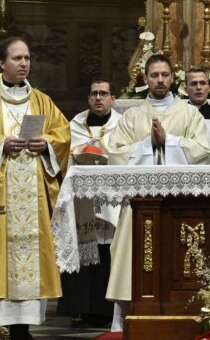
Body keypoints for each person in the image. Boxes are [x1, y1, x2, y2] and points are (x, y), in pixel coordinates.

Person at [0, 36, 70, 339]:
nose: (24, 64)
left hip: (32, 197)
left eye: (27, 58)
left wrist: (46, 144)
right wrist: (1, 143)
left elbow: (62, 135)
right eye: (17, 58)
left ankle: (22, 328)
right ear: (2, 63)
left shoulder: (42, 100)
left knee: (30, 260)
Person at [105, 54, 210, 320]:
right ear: (145, 79)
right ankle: (128, 318)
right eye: (154, 75)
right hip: (138, 204)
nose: (160, 80)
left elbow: (204, 152)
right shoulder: (131, 117)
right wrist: (148, 145)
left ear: (173, 78)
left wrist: (170, 142)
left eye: (165, 75)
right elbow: (115, 155)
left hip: (180, 203)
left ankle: (183, 313)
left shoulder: (189, 114)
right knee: (130, 255)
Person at [57, 79, 121, 328]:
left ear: (113, 98)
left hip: (110, 197)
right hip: (82, 196)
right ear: (88, 97)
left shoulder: (122, 124)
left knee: (108, 250)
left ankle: (106, 310)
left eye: (103, 93)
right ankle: (80, 307)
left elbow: (125, 151)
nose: (98, 98)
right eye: (94, 93)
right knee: (83, 249)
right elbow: (64, 153)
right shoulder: (74, 125)